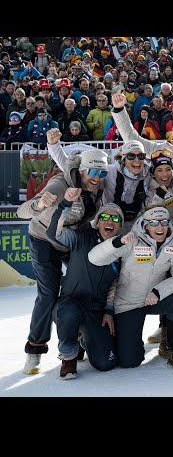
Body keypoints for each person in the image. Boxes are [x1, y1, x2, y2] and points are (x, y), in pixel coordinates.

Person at [17, 142, 109, 374]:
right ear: (82, 171)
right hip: (44, 239)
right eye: (94, 173)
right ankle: (35, 349)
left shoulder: (97, 186)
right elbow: (22, 211)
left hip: (70, 239)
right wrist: (40, 203)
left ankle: (81, 332)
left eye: (103, 173)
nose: (98, 178)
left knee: (89, 279)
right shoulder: (60, 185)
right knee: (48, 291)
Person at [88, 207, 173, 369]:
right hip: (129, 303)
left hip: (154, 297)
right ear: (146, 225)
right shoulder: (132, 239)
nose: (160, 227)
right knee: (129, 361)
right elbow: (94, 258)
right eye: (154, 223)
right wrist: (117, 242)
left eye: (164, 222)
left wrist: (159, 291)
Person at [47, 195, 123, 379]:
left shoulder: (120, 250)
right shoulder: (80, 238)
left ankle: (83, 340)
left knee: (106, 363)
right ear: (97, 223)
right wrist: (64, 205)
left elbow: (115, 284)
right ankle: (68, 356)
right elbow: (54, 234)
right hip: (69, 305)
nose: (109, 222)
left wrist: (108, 311)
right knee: (69, 311)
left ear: (120, 226)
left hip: (95, 313)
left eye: (115, 219)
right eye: (105, 217)